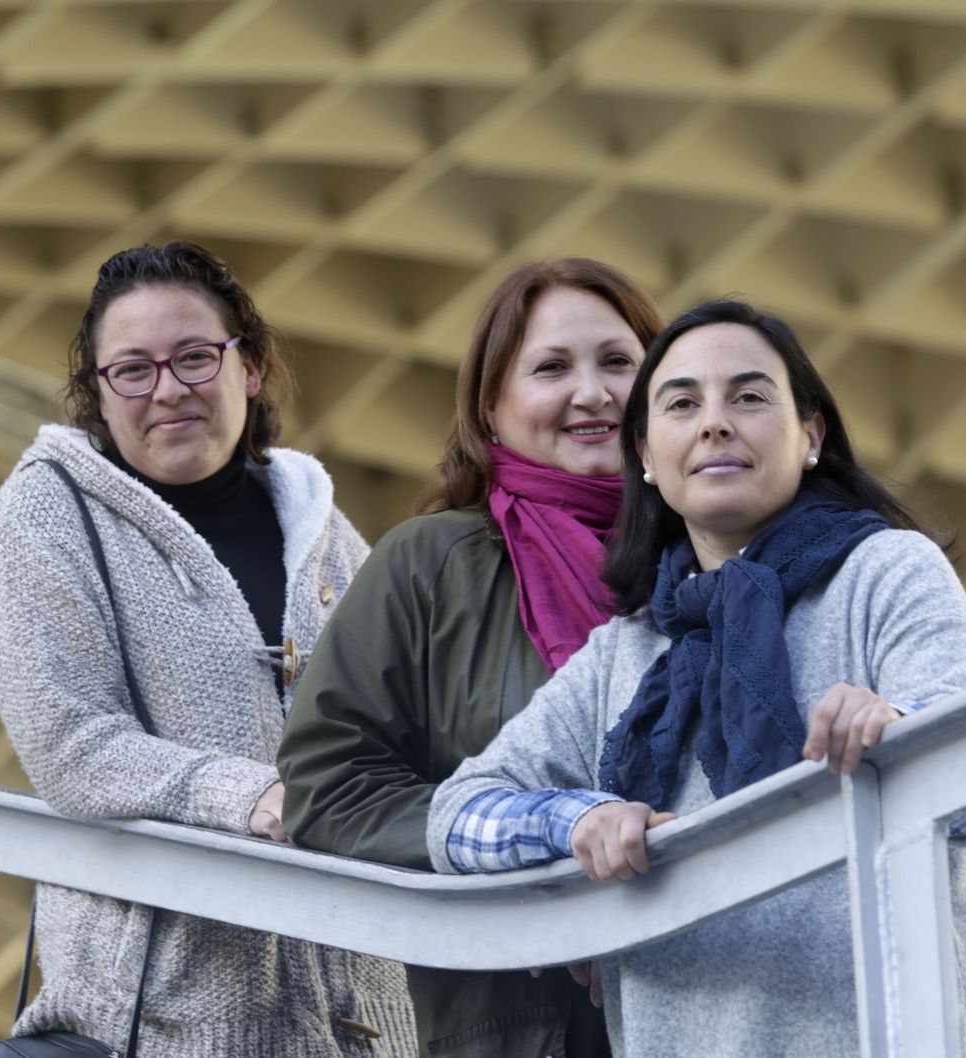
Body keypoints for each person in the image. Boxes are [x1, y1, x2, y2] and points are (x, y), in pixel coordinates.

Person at [427, 298, 966, 1057]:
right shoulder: (625, 650)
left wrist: (901, 735)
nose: (714, 423)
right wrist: (579, 822)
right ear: (644, 453)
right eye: (681, 403)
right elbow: (458, 818)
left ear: (811, 435)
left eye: (749, 397)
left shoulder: (887, 572)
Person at [0, 241, 417, 1056]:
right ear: (98, 396)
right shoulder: (44, 518)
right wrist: (251, 796)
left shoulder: (334, 542)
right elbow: (74, 748)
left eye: (195, 357)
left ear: (249, 368)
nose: (167, 389)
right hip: (150, 1030)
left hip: (355, 1031)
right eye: (132, 370)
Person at [277, 258, 664, 1058]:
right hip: (518, 1027)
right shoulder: (428, 565)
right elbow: (330, 788)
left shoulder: (723, 555)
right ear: (491, 406)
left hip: (718, 1010)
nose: (592, 392)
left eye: (619, 363)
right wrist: (541, 855)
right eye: (552, 367)